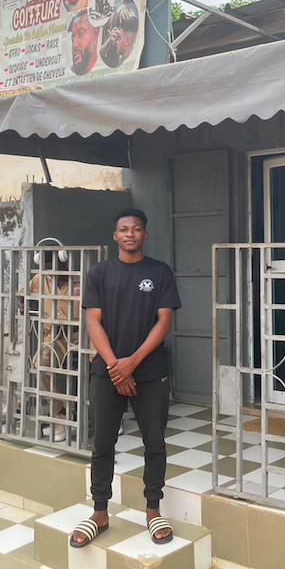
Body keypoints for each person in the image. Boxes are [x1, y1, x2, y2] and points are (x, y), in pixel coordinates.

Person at [71, 208, 181, 548]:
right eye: (123, 229)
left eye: (136, 229)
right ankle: (100, 511)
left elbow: (164, 322)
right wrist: (116, 367)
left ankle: (152, 509)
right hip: (107, 371)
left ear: (145, 235)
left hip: (149, 371)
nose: (130, 233)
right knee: (102, 442)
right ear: (115, 236)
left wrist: (131, 363)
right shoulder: (100, 273)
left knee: (155, 442)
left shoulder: (159, 272)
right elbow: (93, 322)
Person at [18, 241, 79, 442]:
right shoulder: (40, 280)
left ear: (64, 261)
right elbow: (23, 296)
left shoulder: (80, 281)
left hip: (83, 334)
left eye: (52, 264)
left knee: (103, 363)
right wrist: (23, 304)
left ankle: (107, 415)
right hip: (55, 337)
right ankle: (60, 414)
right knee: (39, 364)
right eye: (44, 265)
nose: (48, 270)